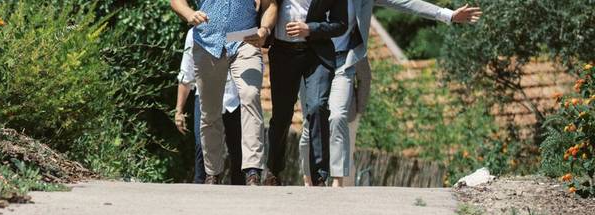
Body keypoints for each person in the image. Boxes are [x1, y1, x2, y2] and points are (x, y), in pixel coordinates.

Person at [298, 1, 482, 187]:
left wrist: (448, 15)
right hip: (313, 61)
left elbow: (405, 2)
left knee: (338, 117)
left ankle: (337, 182)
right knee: (311, 121)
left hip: (343, 62)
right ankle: (308, 180)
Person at [170, 0, 277, 186]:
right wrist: (189, 14)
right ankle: (212, 172)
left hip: (244, 39)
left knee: (250, 94)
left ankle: (253, 170)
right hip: (207, 41)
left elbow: (270, 5)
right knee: (209, 111)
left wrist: (265, 29)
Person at [265, 0, 349, 187]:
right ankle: (273, 170)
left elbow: (340, 24)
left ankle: (319, 176)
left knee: (317, 106)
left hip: (316, 53)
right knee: (282, 115)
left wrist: (310, 28)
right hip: (283, 53)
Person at [175, 28, 245, 185]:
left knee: (238, 152)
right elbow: (186, 74)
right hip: (205, 97)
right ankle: (201, 187)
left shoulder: (239, 31)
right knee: (202, 146)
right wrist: (179, 110)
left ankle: (241, 193)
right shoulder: (195, 33)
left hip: (234, 99)